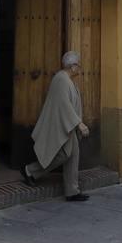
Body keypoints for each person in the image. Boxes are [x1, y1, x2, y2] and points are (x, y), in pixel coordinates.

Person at [22, 51, 91, 201]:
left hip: (68, 125)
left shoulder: (68, 80)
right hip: (63, 125)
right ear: (72, 66)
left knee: (73, 155)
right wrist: (79, 124)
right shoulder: (61, 79)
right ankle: (30, 170)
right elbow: (63, 105)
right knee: (64, 155)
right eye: (78, 65)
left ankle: (72, 191)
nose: (80, 68)